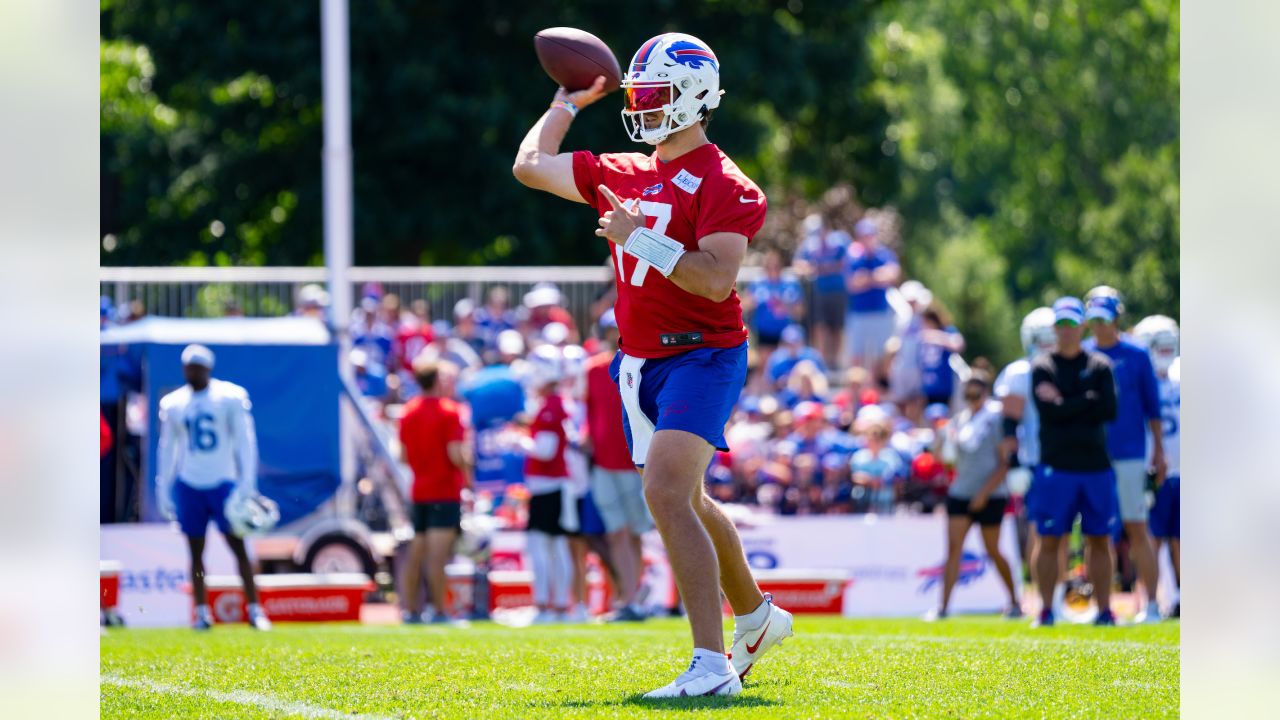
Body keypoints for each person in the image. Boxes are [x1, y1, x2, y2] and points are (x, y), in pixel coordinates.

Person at [512, 31, 792, 697]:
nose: (642, 105)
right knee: (688, 496)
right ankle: (756, 615)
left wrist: (638, 235)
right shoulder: (621, 168)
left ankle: (711, 664)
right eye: (638, 93)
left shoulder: (728, 184)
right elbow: (529, 165)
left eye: (655, 93)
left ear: (695, 96)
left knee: (664, 493)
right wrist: (566, 101)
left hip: (705, 352)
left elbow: (716, 280)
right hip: (638, 362)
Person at [155, 345, 271, 631]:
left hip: (222, 482)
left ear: (208, 368)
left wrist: (247, 483)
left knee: (239, 548)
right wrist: (163, 485)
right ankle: (202, 612)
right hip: (189, 483)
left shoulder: (228, 397)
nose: (191, 371)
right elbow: (168, 447)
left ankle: (255, 610)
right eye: (188, 366)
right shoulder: (174, 403)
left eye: (196, 366)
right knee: (195, 552)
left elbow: (245, 441)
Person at [1031, 297, 1119, 627]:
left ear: (1083, 326)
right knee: (1050, 539)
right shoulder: (1043, 366)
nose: (1067, 331)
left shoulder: (1099, 366)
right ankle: (1045, 609)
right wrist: (1086, 401)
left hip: (1095, 465)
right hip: (1056, 466)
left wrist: (1066, 403)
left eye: (1073, 324)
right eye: (1062, 325)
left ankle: (1105, 610)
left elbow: (1109, 410)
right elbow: (1048, 412)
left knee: (1099, 538)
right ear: (1054, 328)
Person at [1083, 288, 1165, 623]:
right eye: (1094, 319)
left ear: (1116, 318)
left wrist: (1158, 451)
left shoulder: (1136, 355)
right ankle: (1102, 606)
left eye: (1105, 318)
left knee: (1136, 527)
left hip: (1130, 453)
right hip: (1091, 455)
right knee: (1095, 531)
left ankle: (1153, 605)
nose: (1099, 325)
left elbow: (1152, 407)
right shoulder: (1082, 353)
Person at [928, 370, 1021, 620]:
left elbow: (1004, 463)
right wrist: (940, 447)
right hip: (961, 492)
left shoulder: (996, 420)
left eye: (976, 389)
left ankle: (1014, 602)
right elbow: (951, 462)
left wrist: (984, 492)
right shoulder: (959, 421)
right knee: (953, 551)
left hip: (990, 495)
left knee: (993, 550)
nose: (972, 395)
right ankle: (943, 608)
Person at [995, 307, 1066, 614]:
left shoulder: (1070, 367)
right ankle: (1044, 598)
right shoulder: (1019, 372)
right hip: (1036, 460)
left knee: (1062, 532)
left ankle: (1059, 596)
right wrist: (1014, 464)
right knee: (1043, 531)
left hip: (1071, 458)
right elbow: (1009, 422)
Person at [584, 309, 653, 622]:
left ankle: (633, 597)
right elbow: (587, 414)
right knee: (617, 534)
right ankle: (627, 597)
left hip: (633, 461)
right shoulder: (592, 369)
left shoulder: (641, 364)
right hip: (603, 462)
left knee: (635, 533)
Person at [398, 358, 472, 624]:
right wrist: (468, 475)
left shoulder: (407, 412)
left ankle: (410, 610)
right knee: (437, 558)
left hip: (419, 491)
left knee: (416, 555)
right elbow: (455, 453)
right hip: (444, 491)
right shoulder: (450, 411)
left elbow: (404, 457)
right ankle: (440, 611)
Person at [521, 345, 576, 624]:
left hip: (548, 484)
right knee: (554, 547)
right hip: (553, 484)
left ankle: (546, 605)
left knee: (542, 546)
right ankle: (555, 605)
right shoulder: (555, 403)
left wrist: (518, 441)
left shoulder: (551, 406)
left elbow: (545, 450)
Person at [1133, 314, 1181, 617]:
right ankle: (1150, 599)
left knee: (1182, 540)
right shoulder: (1140, 380)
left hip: (1185, 471)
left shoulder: (1184, 375)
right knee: (1151, 538)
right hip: (1151, 470)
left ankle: (1179, 600)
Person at [842, 217, 901, 373]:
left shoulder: (885, 254)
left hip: (880, 312)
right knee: (857, 355)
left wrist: (866, 278)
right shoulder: (853, 257)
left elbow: (892, 275)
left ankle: (874, 390)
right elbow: (852, 285)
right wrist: (877, 277)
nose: (867, 239)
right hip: (859, 313)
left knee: (880, 355)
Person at [792, 213, 850, 368]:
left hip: (838, 291)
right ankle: (822, 361)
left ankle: (835, 360)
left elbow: (846, 262)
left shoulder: (840, 241)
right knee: (820, 326)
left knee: (837, 327)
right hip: (819, 292)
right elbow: (799, 264)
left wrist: (823, 267)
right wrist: (811, 267)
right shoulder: (809, 245)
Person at [743, 249, 803, 352]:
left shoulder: (791, 284)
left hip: (786, 335)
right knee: (765, 364)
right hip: (764, 334)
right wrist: (755, 300)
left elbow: (800, 311)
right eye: (770, 266)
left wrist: (786, 307)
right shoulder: (758, 284)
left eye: (776, 266)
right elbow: (744, 306)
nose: (773, 269)